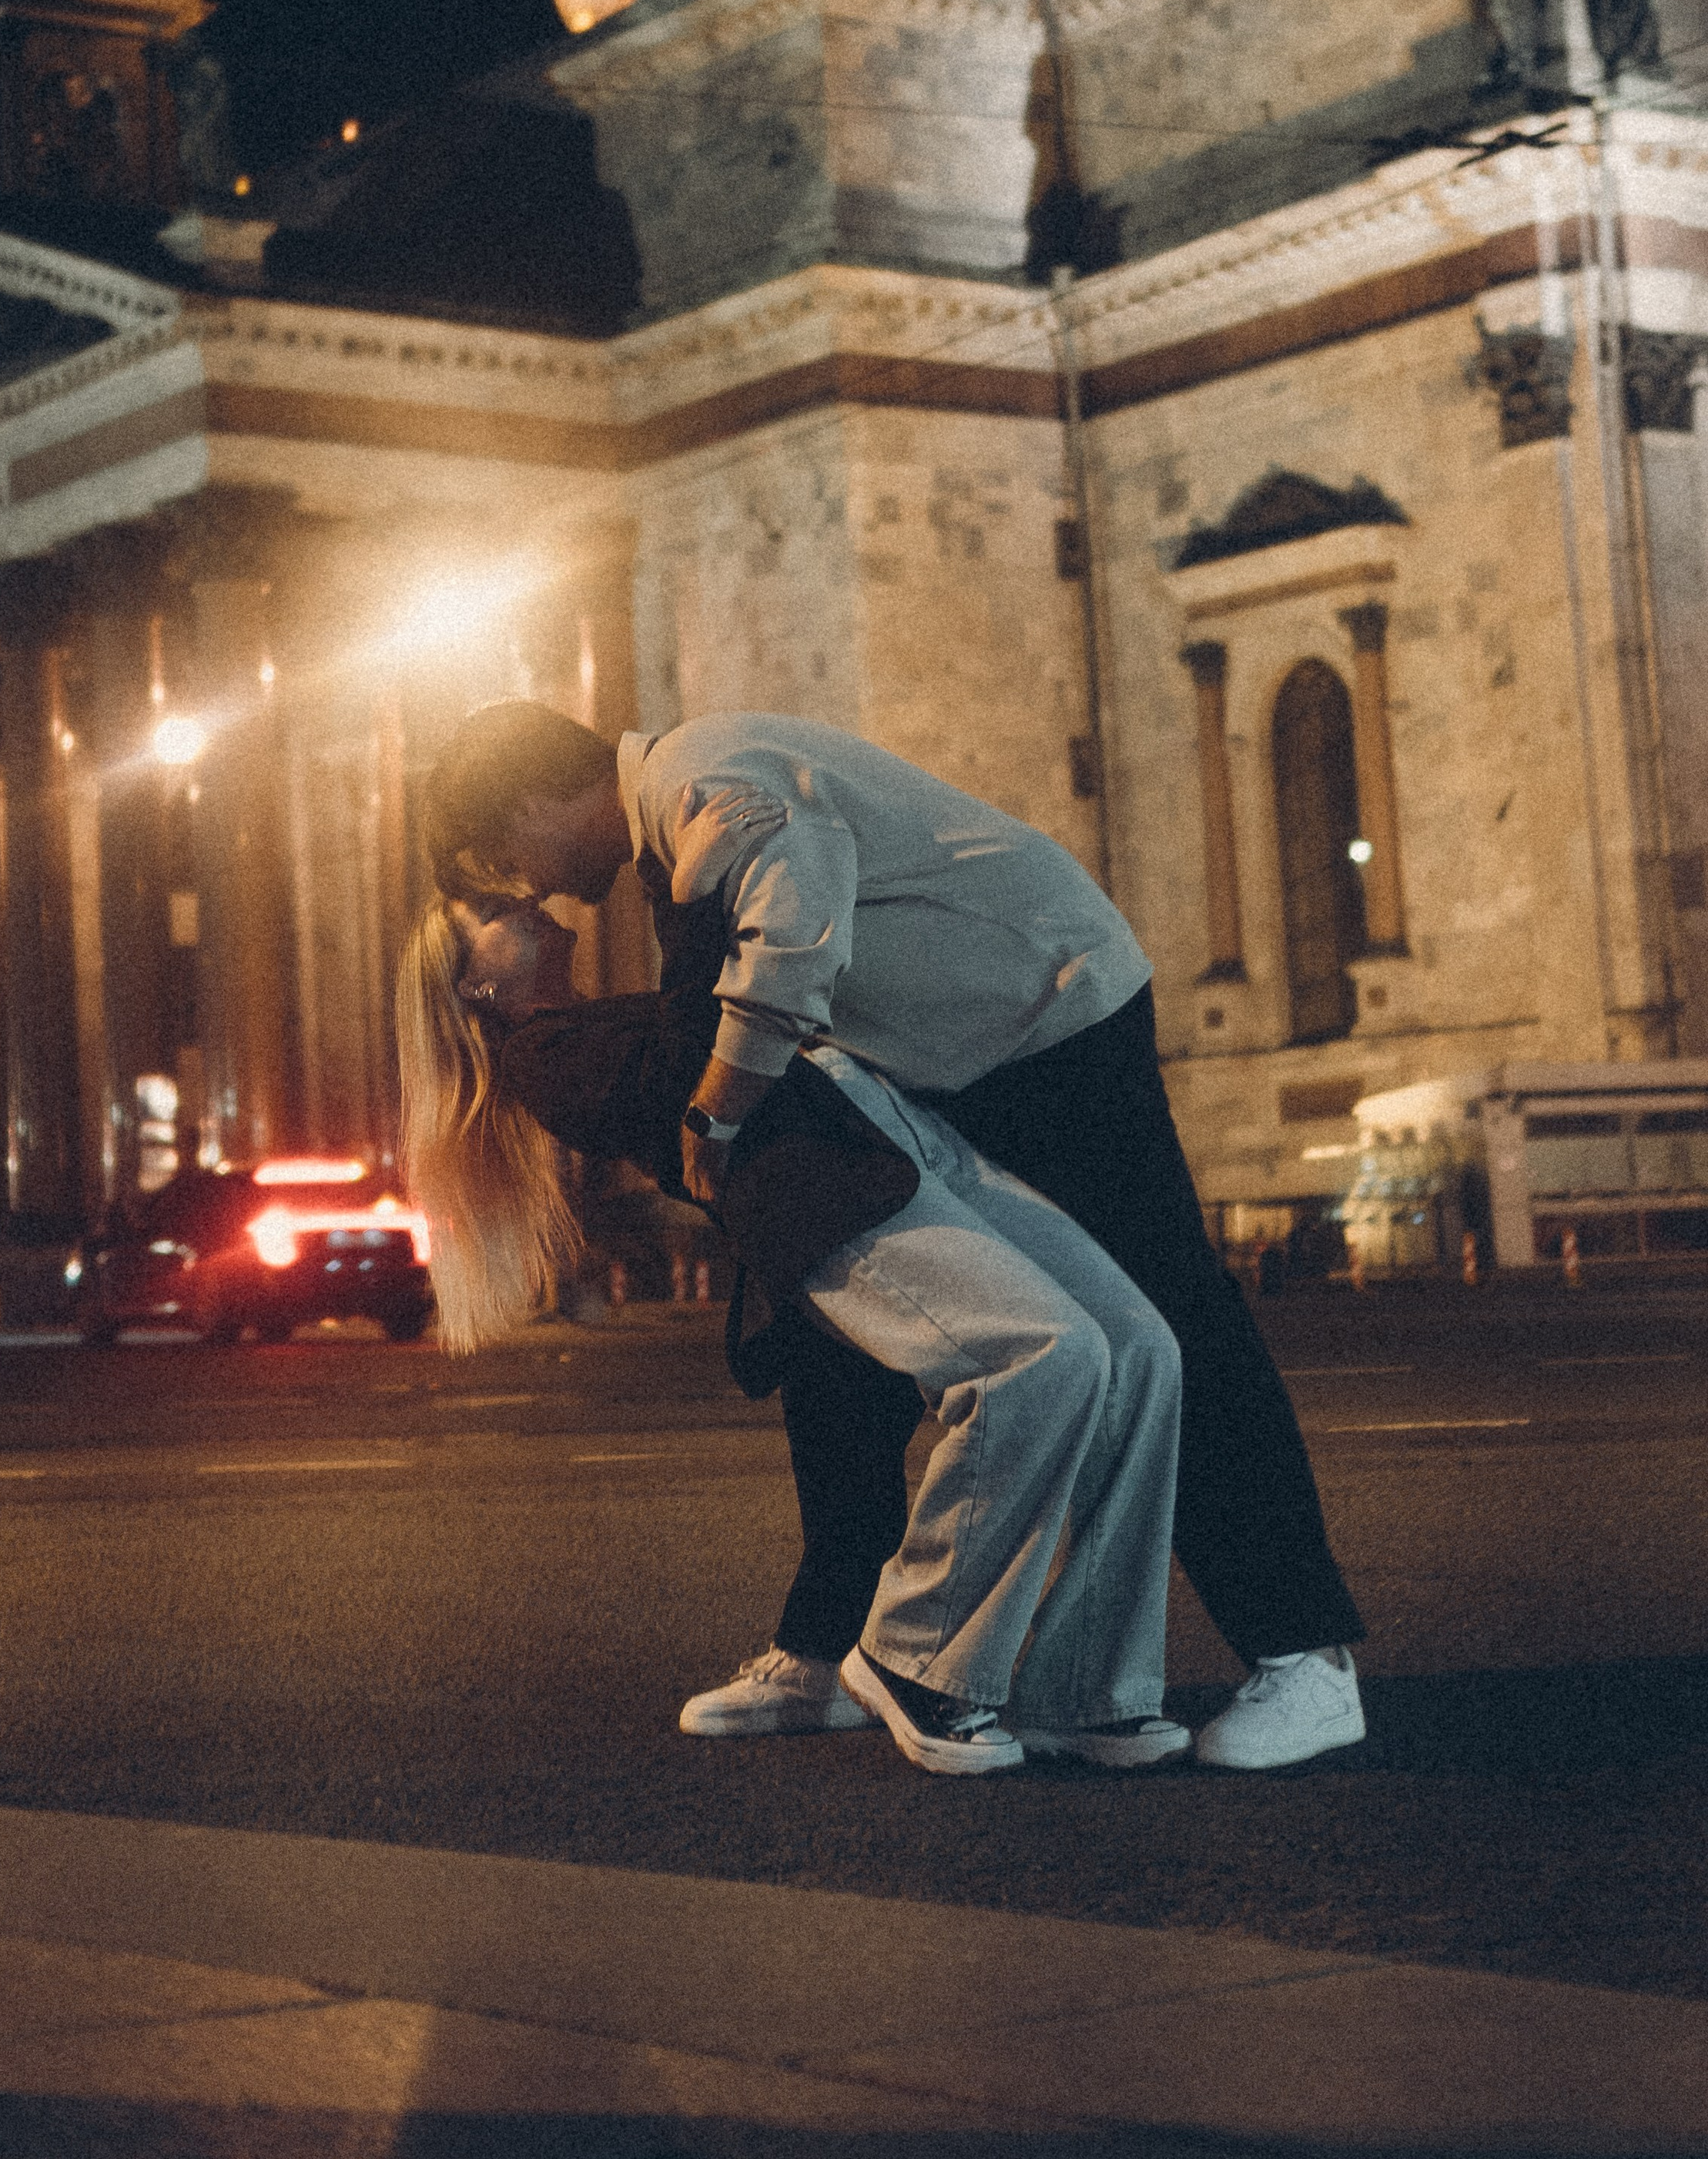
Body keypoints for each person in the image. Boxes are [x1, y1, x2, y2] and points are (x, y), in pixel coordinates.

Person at [423, 702, 1368, 1772]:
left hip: (1044, 1025)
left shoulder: (703, 780)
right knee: (838, 1357)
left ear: (533, 799)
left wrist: (714, 1117)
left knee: (1166, 1315)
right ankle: (832, 1651)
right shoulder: (677, 824)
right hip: (951, 1051)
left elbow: (791, 938)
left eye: (509, 855)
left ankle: (1304, 1652)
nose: (533, 886)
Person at [395, 883, 1184, 1776]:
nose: (525, 899)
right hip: (829, 1192)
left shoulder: (590, 1019)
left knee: (1140, 1348)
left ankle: (1083, 1687)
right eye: (493, 911)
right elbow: (690, 1062)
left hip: (897, 1140)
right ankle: (914, 1657)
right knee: (1037, 1357)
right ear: (474, 985)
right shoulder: (543, 1059)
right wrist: (693, 901)